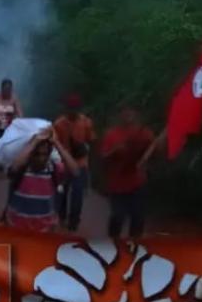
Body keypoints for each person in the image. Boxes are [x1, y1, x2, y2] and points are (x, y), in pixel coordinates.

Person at [4, 128, 78, 233]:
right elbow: (14, 167)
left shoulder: (53, 169)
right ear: (30, 153)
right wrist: (34, 142)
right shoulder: (22, 168)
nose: (40, 158)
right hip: (17, 225)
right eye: (37, 154)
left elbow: (75, 170)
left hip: (44, 228)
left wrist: (56, 143)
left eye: (44, 154)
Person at [100, 108, 155, 238]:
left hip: (137, 182)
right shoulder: (111, 134)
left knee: (138, 217)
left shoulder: (143, 132)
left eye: (131, 112)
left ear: (135, 114)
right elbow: (103, 157)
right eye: (125, 112)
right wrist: (115, 150)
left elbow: (154, 146)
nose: (128, 115)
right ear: (120, 115)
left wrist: (145, 159)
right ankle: (113, 242)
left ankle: (134, 245)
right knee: (118, 216)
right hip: (117, 184)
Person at [53, 93, 96, 232]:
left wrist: (86, 147)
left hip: (81, 163)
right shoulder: (59, 124)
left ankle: (73, 221)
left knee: (77, 193)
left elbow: (92, 140)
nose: (72, 110)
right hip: (64, 163)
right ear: (66, 108)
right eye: (70, 108)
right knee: (62, 192)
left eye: (75, 108)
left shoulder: (86, 123)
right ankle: (61, 216)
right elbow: (54, 143)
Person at [0, 78, 23, 145]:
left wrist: (19, 124)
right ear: (2, 89)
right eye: (5, 89)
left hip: (9, 128)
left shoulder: (14, 99)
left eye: (9, 89)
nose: (7, 91)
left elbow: (20, 114)